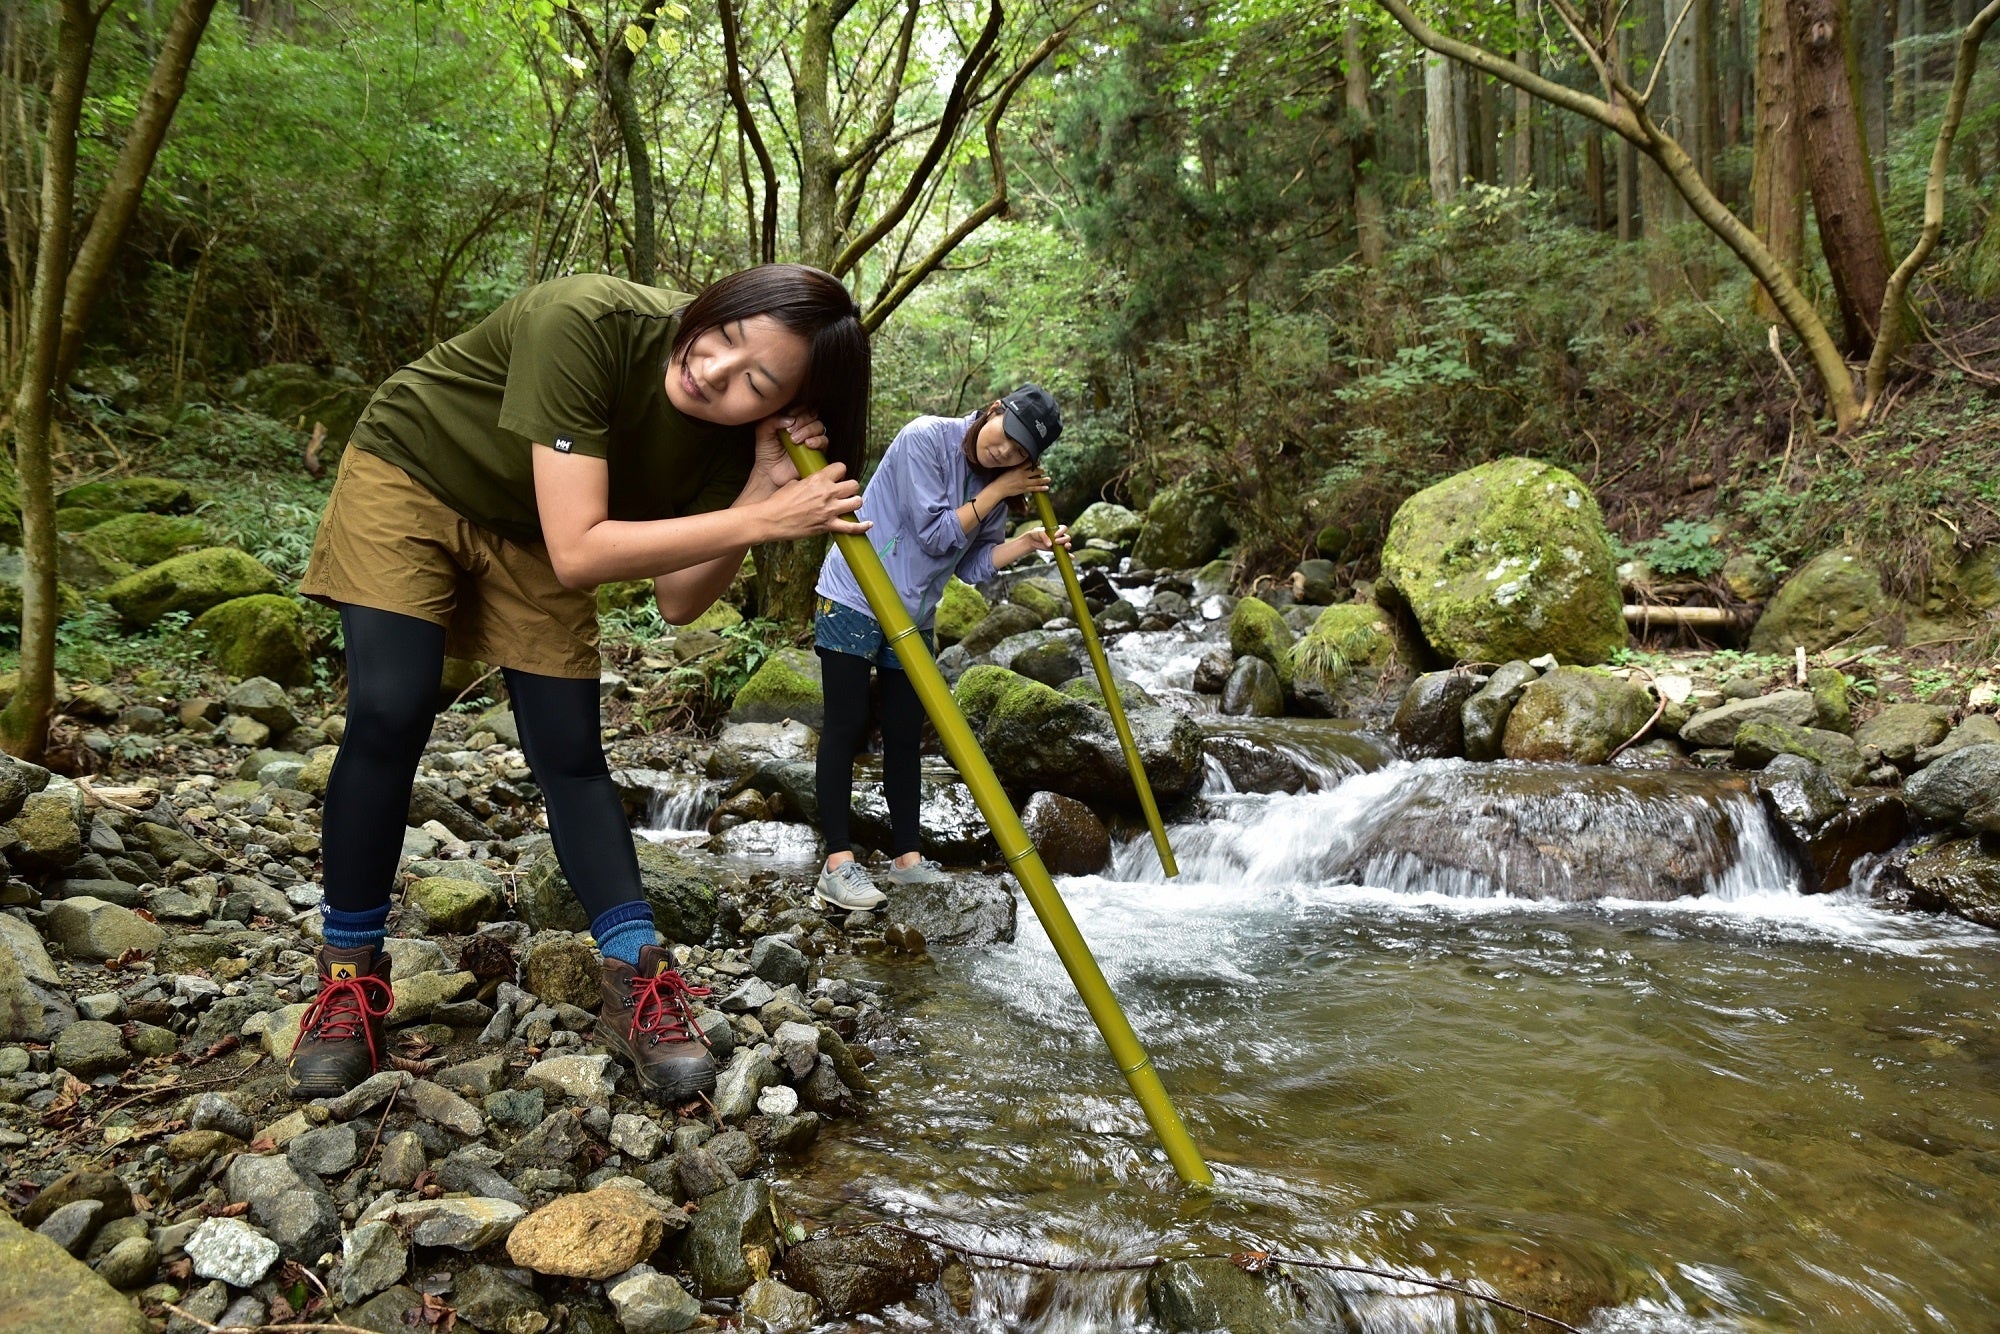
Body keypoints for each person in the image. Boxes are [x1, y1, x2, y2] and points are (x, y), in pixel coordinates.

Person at [288, 265, 871, 1102]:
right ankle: (347, 979)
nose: (713, 370)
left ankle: (637, 974)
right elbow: (579, 553)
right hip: (415, 469)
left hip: (535, 530)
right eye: (725, 334)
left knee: (570, 751)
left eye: (756, 382)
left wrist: (758, 487)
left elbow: (680, 600)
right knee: (391, 708)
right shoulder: (588, 321)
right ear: (714, 304)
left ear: (783, 406)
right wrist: (767, 518)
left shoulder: (733, 442)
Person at [810, 385, 1070, 911]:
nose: (1005, 451)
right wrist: (999, 491)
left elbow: (971, 566)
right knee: (847, 723)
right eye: (1006, 435)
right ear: (994, 410)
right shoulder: (925, 438)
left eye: (1020, 452)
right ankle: (837, 863)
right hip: (856, 591)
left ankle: (907, 858)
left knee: (905, 733)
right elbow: (934, 535)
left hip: (914, 614)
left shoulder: (994, 483)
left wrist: (1027, 543)